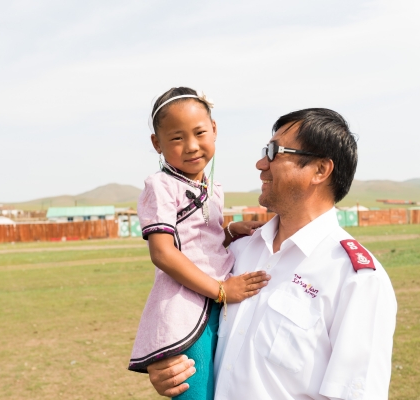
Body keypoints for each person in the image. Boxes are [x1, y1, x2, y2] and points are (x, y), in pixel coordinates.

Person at [147, 108, 397, 399]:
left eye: (274, 151)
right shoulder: (238, 251)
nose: (260, 163)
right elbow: (191, 323)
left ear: (320, 170)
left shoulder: (355, 279)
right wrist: (171, 368)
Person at [128, 87, 271, 400]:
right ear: (157, 143)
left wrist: (230, 231)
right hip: (185, 306)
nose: (191, 146)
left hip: (215, 303)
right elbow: (163, 253)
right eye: (177, 138)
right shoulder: (161, 186)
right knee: (198, 392)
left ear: (215, 130)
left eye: (200, 133)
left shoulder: (212, 187)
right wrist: (222, 290)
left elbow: (201, 237)